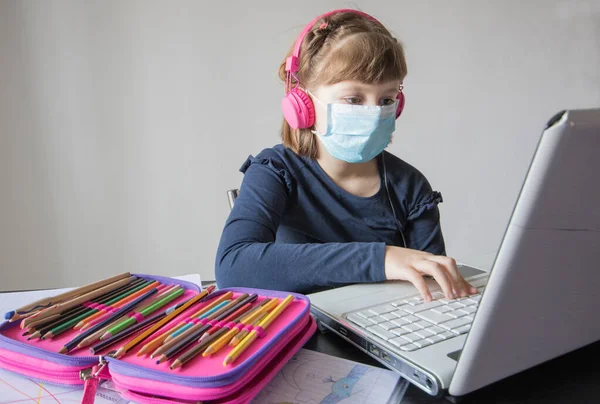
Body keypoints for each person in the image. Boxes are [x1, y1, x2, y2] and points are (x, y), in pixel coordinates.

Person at [215, 9, 477, 301]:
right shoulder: (274, 171)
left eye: (387, 99)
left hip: (382, 331)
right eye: (353, 99)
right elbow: (233, 267)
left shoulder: (411, 187)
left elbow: (432, 286)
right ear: (304, 104)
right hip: (301, 335)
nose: (374, 112)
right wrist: (381, 258)